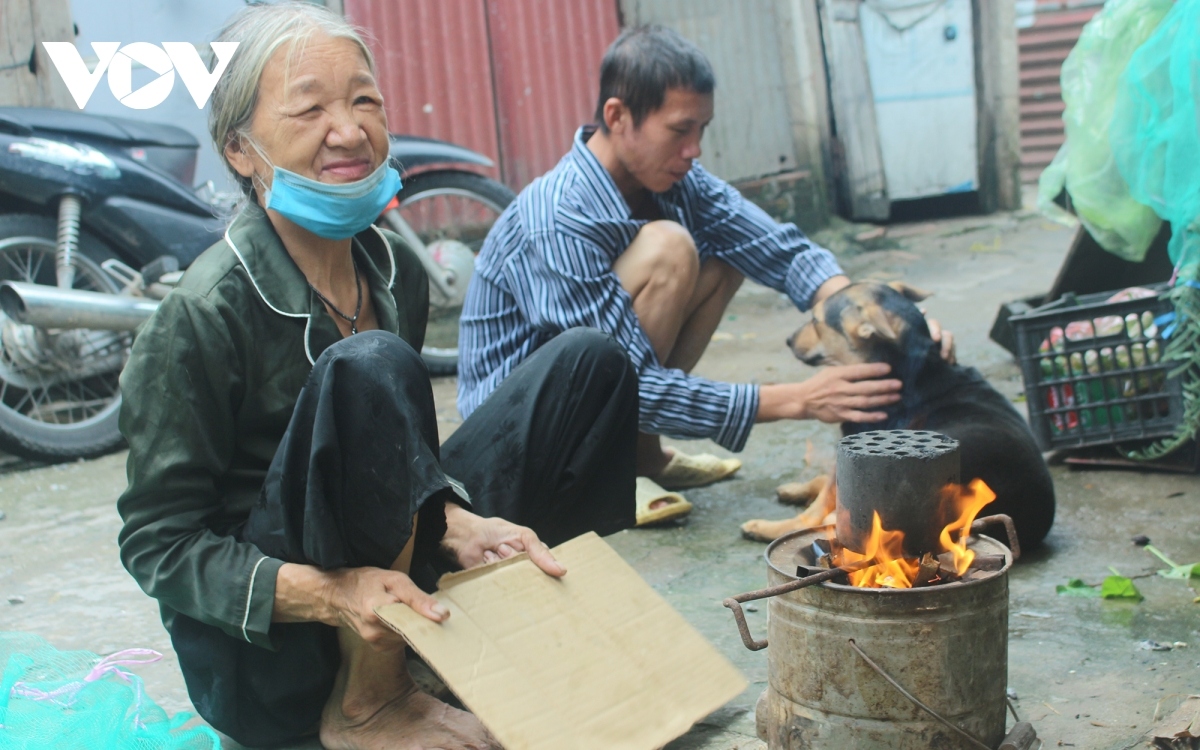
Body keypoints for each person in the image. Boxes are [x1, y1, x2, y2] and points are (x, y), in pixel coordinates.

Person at [116, 5, 637, 749]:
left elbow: (386, 456)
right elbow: (157, 545)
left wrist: (455, 519)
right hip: (281, 663)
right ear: (240, 150)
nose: (351, 130)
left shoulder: (392, 272)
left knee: (590, 365)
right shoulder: (202, 313)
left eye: (364, 99)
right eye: (311, 107)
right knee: (371, 365)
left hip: (388, 592)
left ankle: (492, 639)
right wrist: (334, 595)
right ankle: (368, 702)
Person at [456, 26, 953, 520]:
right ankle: (605, 469)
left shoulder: (680, 181)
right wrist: (794, 399)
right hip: (518, 438)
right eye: (679, 130)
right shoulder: (560, 217)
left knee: (724, 258)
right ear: (618, 116)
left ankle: (642, 457)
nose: (694, 149)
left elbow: (779, 250)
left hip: (588, 393)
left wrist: (889, 320)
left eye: (702, 130)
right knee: (669, 247)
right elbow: (626, 381)